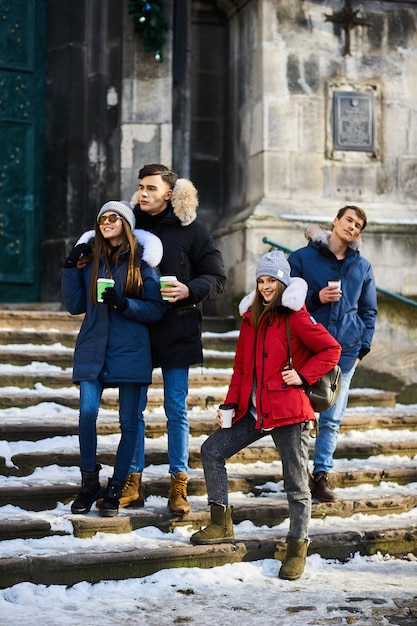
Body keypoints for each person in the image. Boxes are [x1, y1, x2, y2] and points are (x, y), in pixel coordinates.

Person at [189, 251, 341, 581]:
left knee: (297, 485)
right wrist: (230, 405)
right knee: (211, 451)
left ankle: (297, 547)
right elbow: (241, 368)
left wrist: (302, 376)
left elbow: (331, 350)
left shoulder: (296, 316)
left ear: (283, 281)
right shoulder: (251, 320)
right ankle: (220, 523)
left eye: (271, 280)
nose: (266, 286)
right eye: (261, 280)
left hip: (289, 413)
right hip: (253, 412)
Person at [124, 163, 227, 515]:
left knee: (175, 411)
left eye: (151, 188)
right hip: (135, 329)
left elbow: (216, 275)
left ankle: (177, 485)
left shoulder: (193, 230)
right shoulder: (129, 226)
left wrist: (189, 288)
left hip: (178, 328)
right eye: (141, 187)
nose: (143, 193)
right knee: (132, 412)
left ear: (169, 194)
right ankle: (131, 482)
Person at [61, 201, 166, 517]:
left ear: (126, 224)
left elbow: (157, 309)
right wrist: (69, 269)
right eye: (102, 218)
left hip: (130, 349)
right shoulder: (89, 260)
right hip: (93, 347)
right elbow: (75, 305)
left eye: (113, 217)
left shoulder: (142, 264)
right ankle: (89, 482)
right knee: (87, 414)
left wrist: (125, 304)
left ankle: (116, 487)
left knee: (128, 421)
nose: (106, 222)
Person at [288, 206, 377, 502]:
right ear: (335, 221)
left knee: (332, 418)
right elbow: (285, 300)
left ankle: (321, 475)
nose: (352, 227)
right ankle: (297, 473)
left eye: (358, 225)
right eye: (348, 220)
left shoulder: (361, 267)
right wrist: (317, 298)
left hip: (345, 353)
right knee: (299, 416)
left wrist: (362, 347)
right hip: (307, 351)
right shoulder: (302, 258)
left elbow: (368, 311)